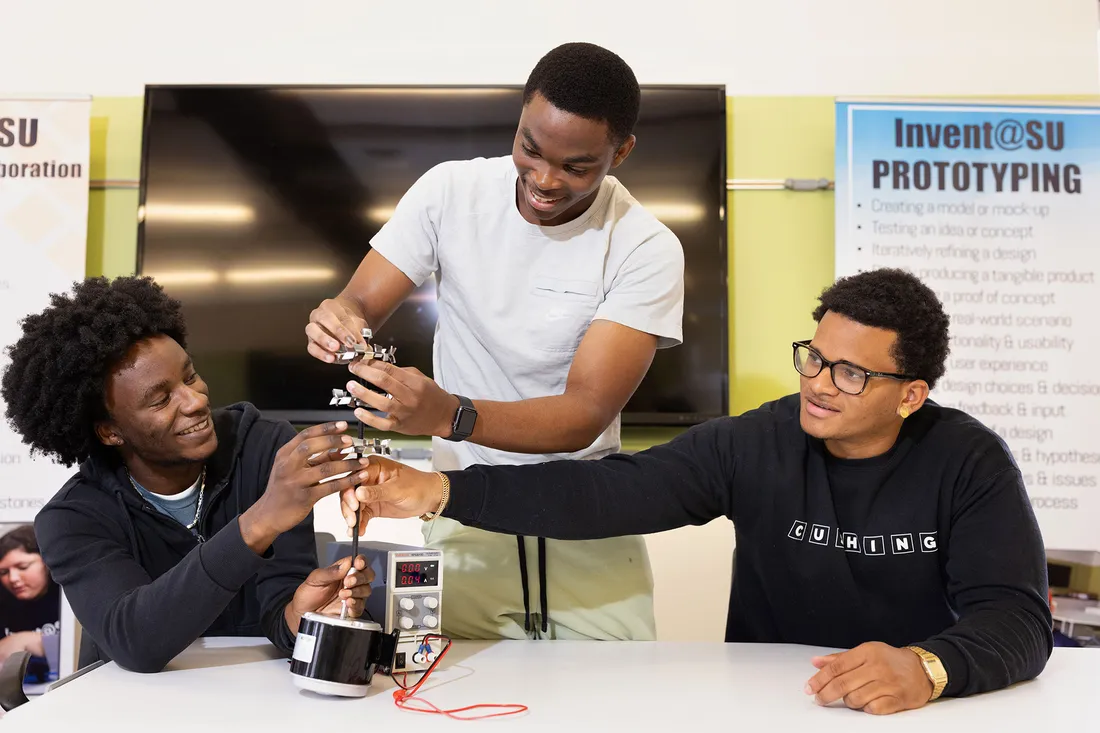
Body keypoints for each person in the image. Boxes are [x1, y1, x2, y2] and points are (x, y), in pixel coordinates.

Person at [341, 268, 1053, 715]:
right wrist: (439, 489)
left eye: (850, 374)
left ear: (911, 395)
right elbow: (606, 493)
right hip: (773, 704)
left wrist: (929, 667)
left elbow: (1019, 617)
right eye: (815, 358)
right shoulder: (758, 441)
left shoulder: (969, 461)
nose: (817, 383)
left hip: (913, 708)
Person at [305, 42, 684, 641]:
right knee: (457, 698)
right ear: (520, 115)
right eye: (530, 149)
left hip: (588, 515)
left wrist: (448, 415)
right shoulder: (449, 194)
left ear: (622, 151)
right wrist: (340, 316)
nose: (544, 179)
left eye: (576, 167)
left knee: (616, 701)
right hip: (459, 506)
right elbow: (359, 302)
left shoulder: (644, 247)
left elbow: (584, 413)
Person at [0, 276, 373, 673]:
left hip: (252, 693)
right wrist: (260, 520)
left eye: (190, 376)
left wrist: (301, 616)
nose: (196, 401)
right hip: (129, 706)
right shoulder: (73, 519)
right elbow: (136, 641)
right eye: (161, 399)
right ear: (110, 431)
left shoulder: (267, 450)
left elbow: (280, 606)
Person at [0, 525, 60, 676]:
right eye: (3, 572)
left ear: (46, 563)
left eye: (23, 567)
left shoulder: (69, 595)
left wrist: (41, 643)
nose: (12, 579)